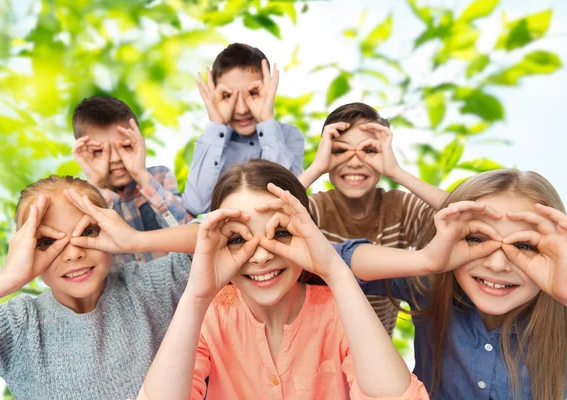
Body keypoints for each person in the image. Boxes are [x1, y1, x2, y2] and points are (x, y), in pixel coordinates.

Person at [138, 159, 429, 399]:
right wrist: (196, 296)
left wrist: (336, 272)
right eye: (238, 238)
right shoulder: (211, 317)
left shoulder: (338, 312)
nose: (261, 256)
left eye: (280, 233)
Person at [336, 169, 567, 399]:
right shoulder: (430, 284)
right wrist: (424, 261)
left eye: (524, 246)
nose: (497, 264)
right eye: (476, 239)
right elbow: (325, 262)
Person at [0, 176, 195, 399]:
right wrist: (7, 278)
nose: (74, 253)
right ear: (25, 249)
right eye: (47, 242)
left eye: (87, 232)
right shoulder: (19, 327)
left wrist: (137, 240)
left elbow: (222, 238)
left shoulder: (149, 287)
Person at [299, 102, 448, 336]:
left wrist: (396, 172)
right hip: (317, 347)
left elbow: (467, 213)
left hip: (377, 350)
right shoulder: (314, 210)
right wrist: (316, 168)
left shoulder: (400, 208)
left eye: (368, 150)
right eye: (340, 151)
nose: (355, 161)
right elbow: (264, 215)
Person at [182, 43, 305, 216]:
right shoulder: (211, 141)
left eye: (253, 93)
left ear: (269, 89)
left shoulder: (290, 135)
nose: (241, 109)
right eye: (227, 96)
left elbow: (283, 200)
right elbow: (196, 206)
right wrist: (216, 123)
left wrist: (265, 120)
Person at [72, 95, 192, 265]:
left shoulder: (159, 177)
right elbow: (83, 254)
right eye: (99, 151)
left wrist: (141, 175)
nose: (114, 158)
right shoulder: (78, 198)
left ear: (139, 143)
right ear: (83, 153)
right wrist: (96, 185)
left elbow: (189, 233)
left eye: (126, 146)